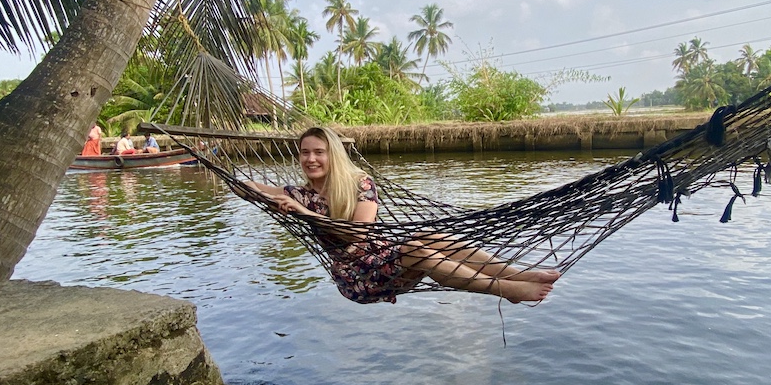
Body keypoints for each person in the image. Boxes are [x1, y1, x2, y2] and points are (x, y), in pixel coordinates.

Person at [237, 126, 560, 305]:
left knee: (432, 238)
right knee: (419, 249)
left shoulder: (360, 184)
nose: (311, 159)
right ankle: (507, 290)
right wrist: (230, 176)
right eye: (305, 152)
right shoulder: (298, 194)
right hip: (356, 277)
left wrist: (306, 213)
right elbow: (247, 187)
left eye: (319, 152)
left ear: (332, 155)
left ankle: (517, 276)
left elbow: (360, 234)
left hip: (382, 257)